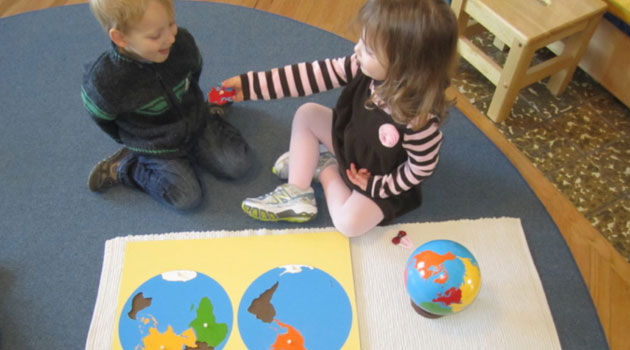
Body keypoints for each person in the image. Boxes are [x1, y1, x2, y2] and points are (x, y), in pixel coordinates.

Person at [222, 0, 458, 236]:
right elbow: (310, 76)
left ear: (404, 67)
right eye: (362, 41)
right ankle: (296, 191)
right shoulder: (360, 66)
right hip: (350, 142)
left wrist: (379, 186)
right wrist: (250, 86)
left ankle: (326, 169)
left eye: (369, 50)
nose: (356, 50)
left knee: (349, 225)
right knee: (308, 113)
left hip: (378, 176)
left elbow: (421, 168)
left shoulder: (420, 122)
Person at [82, 0, 251, 210]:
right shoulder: (104, 80)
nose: (170, 38)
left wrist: (197, 107)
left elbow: (194, 72)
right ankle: (124, 167)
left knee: (238, 165)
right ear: (121, 38)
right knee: (186, 198)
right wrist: (131, 138)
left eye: (171, 24)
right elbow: (102, 117)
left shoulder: (181, 43)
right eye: (155, 36)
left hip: (196, 121)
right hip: (156, 145)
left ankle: (213, 111)